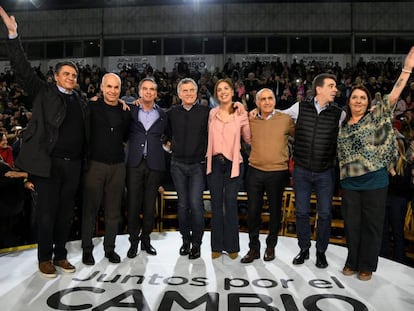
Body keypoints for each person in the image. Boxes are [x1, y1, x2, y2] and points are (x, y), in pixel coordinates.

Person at [0, 7, 87, 278]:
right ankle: (44, 258)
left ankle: (60, 255)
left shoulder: (81, 100)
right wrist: (14, 36)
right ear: (56, 76)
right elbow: (22, 69)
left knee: (65, 214)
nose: (72, 78)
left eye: (74, 75)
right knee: (47, 214)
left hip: (73, 166)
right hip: (48, 164)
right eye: (67, 74)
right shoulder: (42, 92)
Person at [337, 47, 414, 281]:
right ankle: (352, 260)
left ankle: (367, 265)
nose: (358, 101)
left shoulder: (376, 115)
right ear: (349, 101)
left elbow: (393, 95)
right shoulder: (343, 124)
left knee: (371, 226)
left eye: (363, 97)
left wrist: (407, 69)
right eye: (354, 97)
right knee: (352, 225)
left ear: (368, 101)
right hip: (350, 183)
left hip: (375, 182)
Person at [278, 73, 346, 269]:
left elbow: (356, 123)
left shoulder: (339, 113)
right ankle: (304, 249)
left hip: (325, 172)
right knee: (301, 212)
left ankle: (321, 252)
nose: (335, 89)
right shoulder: (299, 107)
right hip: (301, 171)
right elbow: (276, 115)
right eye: (331, 86)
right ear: (319, 89)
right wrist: (252, 111)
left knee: (324, 214)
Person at [81, 73, 131, 265]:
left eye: (116, 87)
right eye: (108, 87)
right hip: (95, 165)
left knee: (113, 211)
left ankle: (109, 249)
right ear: (101, 88)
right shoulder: (91, 106)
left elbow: (125, 136)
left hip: (118, 166)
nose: (112, 91)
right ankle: (87, 249)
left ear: (120, 89)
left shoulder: (126, 111)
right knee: (90, 210)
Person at [240, 88, 295, 263]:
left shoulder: (285, 119)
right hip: (255, 171)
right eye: (262, 99)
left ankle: (271, 247)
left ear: (275, 100)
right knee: (253, 212)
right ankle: (253, 248)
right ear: (257, 103)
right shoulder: (251, 119)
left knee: (274, 212)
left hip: (278, 172)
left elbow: (299, 137)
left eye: (270, 98)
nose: (267, 102)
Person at [206, 78, 251, 259]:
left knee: (230, 203)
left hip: (234, 163)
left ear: (233, 91)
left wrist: (246, 114)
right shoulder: (212, 113)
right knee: (216, 204)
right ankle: (216, 246)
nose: (223, 92)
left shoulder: (240, 112)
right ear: (216, 94)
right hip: (215, 163)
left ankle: (232, 247)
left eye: (226, 88)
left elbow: (248, 138)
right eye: (219, 90)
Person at [125, 77, 169, 258]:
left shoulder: (164, 114)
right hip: (134, 163)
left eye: (152, 89)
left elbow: (170, 136)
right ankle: (133, 242)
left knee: (150, 205)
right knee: (133, 204)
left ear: (156, 93)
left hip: (154, 164)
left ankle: (146, 240)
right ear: (139, 91)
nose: (149, 92)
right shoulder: (130, 109)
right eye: (145, 89)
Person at [166, 78, 209, 259]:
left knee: (196, 205)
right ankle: (185, 240)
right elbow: (165, 134)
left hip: (198, 165)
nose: (189, 93)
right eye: (185, 90)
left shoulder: (206, 112)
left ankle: (197, 244)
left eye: (192, 90)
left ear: (197, 92)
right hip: (177, 165)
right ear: (179, 94)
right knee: (183, 205)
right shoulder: (171, 112)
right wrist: (168, 147)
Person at [380, 132, 411, 264]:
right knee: (383, 231)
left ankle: (399, 259)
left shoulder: (406, 165)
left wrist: (393, 173)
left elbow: (403, 187)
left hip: (398, 201)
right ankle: (384, 257)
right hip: (385, 199)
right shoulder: (385, 164)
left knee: (397, 231)